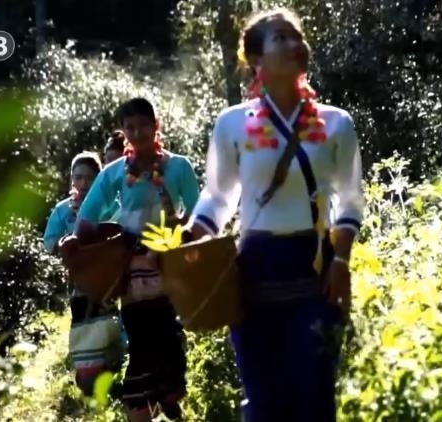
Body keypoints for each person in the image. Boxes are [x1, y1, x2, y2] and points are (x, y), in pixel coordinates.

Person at [186, 7, 364, 421]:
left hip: (315, 272)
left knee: (314, 396)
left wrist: (341, 260)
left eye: (296, 36)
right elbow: (218, 196)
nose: (293, 44)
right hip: (254, 273)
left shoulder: (336, 123)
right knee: (264, 401)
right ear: (255, 58)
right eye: (280, 37)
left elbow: (350, 200)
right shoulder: (232, 123)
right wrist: (191, 238)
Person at [67, 97, 200, 421]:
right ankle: (144, 404)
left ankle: (167, 393)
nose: (138, 132)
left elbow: (199, 214)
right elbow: (88, 215)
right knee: (141, 340)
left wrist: (185, 237)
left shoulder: (179, 167)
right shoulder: (114, 173)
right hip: (132, 272)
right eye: (130, 127)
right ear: (123, 131)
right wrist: (80, 247)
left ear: (156, 126)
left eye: (143, 125)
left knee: (170, 337)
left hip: (171, 265)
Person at [42, 151, 125, 398]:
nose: (84, 183)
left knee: (109, 321)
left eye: (90, 178)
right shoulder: (62, 210)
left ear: (100, 179)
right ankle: (89, 376)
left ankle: (113, 370)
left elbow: (118, 234)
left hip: (108, 280)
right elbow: (49, 243)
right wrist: (67, 242)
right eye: (78, 177)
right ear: (71, 180)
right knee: (84, 323)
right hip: (78, 283)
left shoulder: (112, 205)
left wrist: (88, 218)